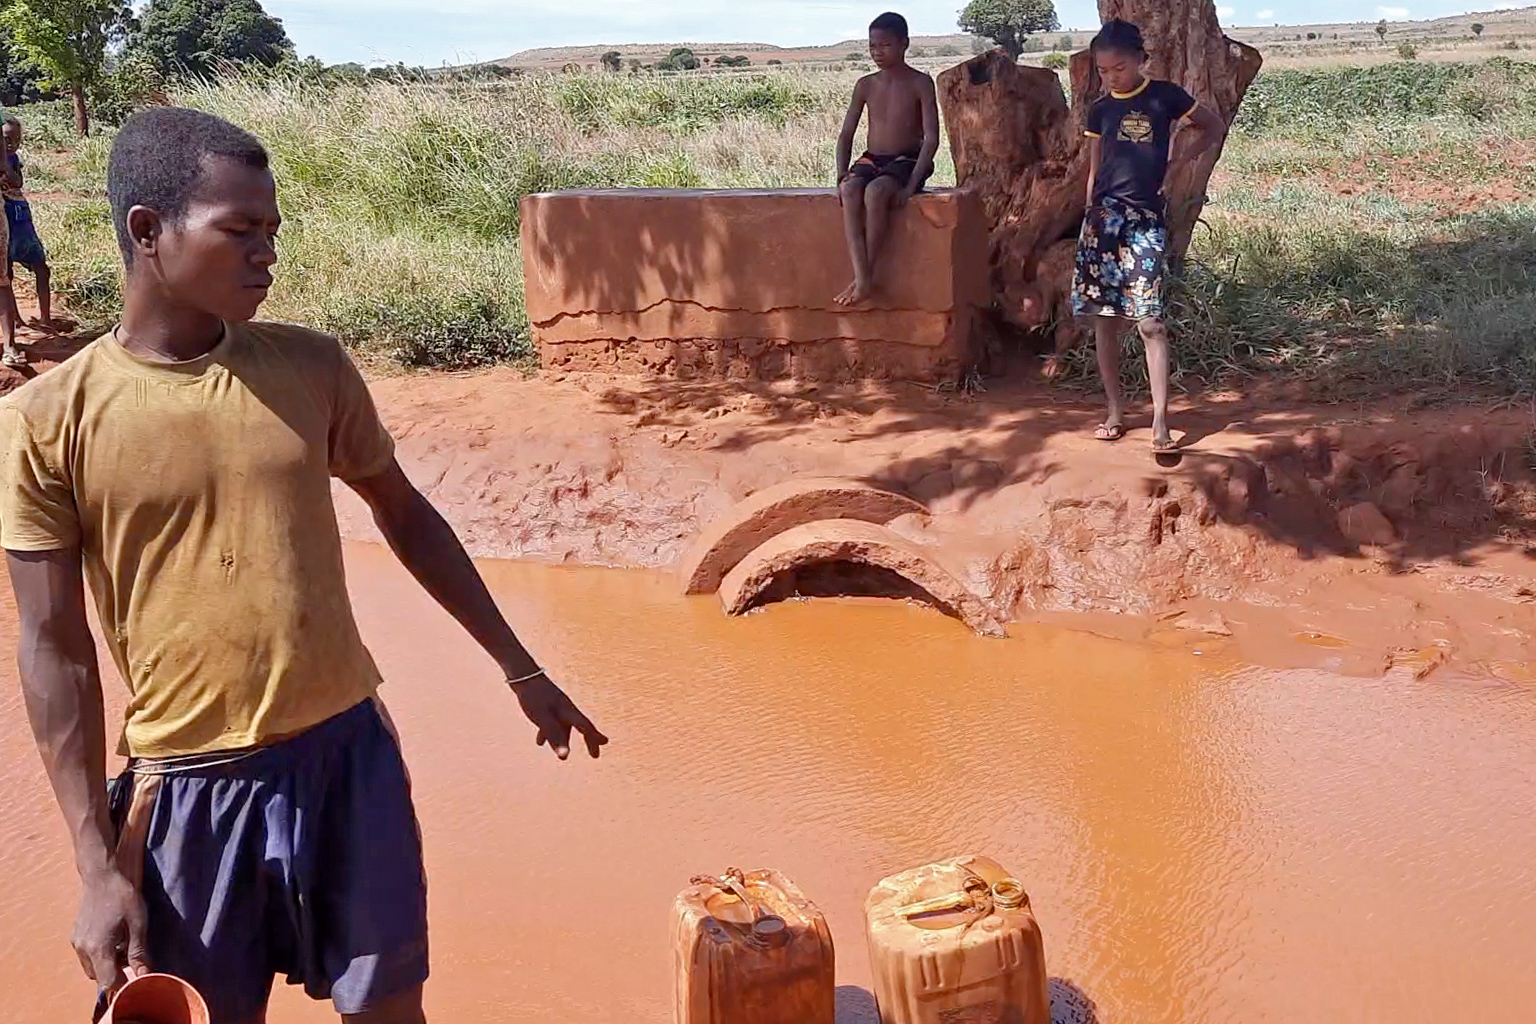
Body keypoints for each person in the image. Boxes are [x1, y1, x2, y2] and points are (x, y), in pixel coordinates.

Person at [1, 106, 607, 1024]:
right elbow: (54, 650)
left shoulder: (311, 367)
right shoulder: (49, 420)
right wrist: (93, 863)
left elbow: (407, 514)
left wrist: (520, 667)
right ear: (148, 231)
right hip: (190, 791)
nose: (266, 254)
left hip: (346, 757)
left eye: (272, 231)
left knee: (388, 1010)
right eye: (240, 230)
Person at [1072, 19, 1226, 452]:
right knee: (1105, 320)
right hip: (1103, 221)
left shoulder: (1165, 97)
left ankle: (1161, 420)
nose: (1112, 76)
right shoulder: (1100, 109)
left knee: (1150, 322)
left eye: (1119, 67)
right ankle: (1115, 412)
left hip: (1144, 221)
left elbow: (1212, 128)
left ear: (1141, 60)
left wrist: (1177, 165)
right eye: (1103, 70)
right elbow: (1095, 165)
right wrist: (1089, 214)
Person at [834, 10, 939, 307]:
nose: (877, 52)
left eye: (885, 45)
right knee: (851, 189)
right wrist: (841, 172)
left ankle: (865, 277)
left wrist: (911, 185)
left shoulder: (921, 82)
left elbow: (931, 138)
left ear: (904, 44)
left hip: (907, 159)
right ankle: (862, 275)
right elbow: (846, 134)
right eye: (872, 46)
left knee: (877, 192)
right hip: (873, 157)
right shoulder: (866, 85)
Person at [3, 117, 54, 331]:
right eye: (6, 138)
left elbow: (17, 181)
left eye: (16, 138)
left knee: (42, 268)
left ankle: (45, 318)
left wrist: (6, 165)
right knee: (6, 274)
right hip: (5, 222)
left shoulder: (13, 159)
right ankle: (15, 320)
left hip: (22, 219)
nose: (11, 143)